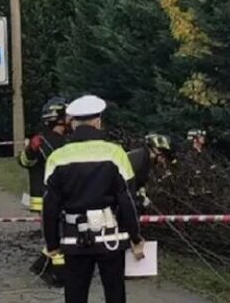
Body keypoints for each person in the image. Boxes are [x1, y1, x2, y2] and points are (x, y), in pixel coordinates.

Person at [43, 94, 145, 303]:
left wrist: (52, 243)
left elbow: (50, 207)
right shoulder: (115, 154)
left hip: (74, 238)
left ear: (73, 124)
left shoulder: (58, 157)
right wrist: (135, 237)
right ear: (98, 122)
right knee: (115, 293)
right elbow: (128, 202)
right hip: (109, 238)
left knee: (75, 295)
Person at [19, 96, 69, 286]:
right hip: (46, 197)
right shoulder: (41, 140)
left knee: (59, 233)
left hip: (61, 195)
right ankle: (57, 273)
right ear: (59, 117)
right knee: (57, 233)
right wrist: (31, 150)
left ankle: (42, 266)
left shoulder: (65, 139)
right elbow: (24, 162)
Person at [127, 133, 175, 213]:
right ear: (151, 149)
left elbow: (139, 182)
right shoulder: (139, 160)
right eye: (161, 151)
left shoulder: (147, 161)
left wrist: (141, 193)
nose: (163, 157)